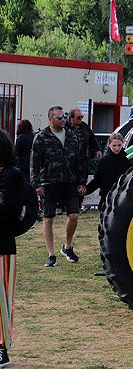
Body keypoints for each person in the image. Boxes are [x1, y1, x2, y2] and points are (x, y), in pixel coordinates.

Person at [30, 106, 87, 267]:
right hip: (49, 182)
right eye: (59, 117)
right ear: (51, 119)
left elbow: (80, 159)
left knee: (74, 215)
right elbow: (34, 163)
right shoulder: (41, 137)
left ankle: (67, 247)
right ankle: (51, 254)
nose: (63, 119)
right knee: (48, 218)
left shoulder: (72, 136)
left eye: (64, 116)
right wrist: (36, 185)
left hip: (69, 181)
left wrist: (82, 181)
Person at [0, 129, 24, 367]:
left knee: (2, 300)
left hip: (2, 246)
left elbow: (10, 210)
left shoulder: (11, 176)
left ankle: (1, 348)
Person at [84, 132, 129, 211]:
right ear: (109, 144)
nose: (117, 148)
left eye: (119, 145)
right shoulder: (104, 161)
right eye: (114, 146)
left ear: (123, 144)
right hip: (107, 196)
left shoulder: (128, 159)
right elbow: (98, 180)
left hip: (123, 196)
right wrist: (86, 190)